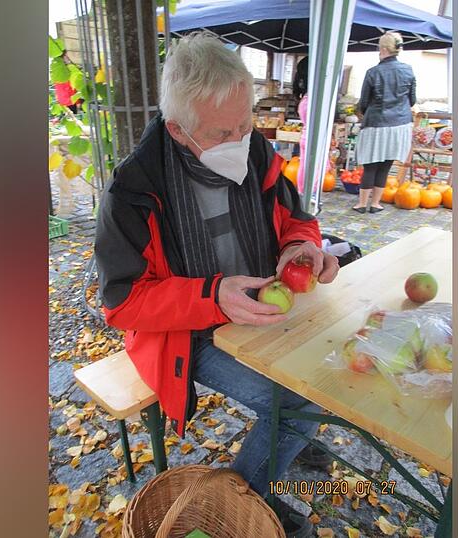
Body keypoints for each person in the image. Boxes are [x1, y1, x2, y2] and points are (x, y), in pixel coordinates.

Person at [94, 33, 340, 537]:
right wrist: (211, 295)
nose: (240, 141)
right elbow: (122, 303)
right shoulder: (132, 193)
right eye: (222, 132)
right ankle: (235, 501)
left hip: (264, 303)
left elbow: (298, 218)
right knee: (299, 406)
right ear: (179, 130)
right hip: (186, 332)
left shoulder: (257, 152)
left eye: (246, 123)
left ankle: (288, 448)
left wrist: (299, 249)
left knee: (332, 362)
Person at [353, 32, 417, 213]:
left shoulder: (373, 72)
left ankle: (361, 204)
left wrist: (366, 114)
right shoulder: (408, 70)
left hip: (376, 123)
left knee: (370, 165)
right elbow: (412, 100)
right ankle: (375, 204)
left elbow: (364, 102)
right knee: (386, 165)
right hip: (400, 124)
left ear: (383, 49)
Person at [292, 57, 335, 197]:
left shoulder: (308, 98)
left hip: (310, 139)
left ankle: (306, 197)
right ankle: (305, 199)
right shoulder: (311, 100)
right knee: (309, 175)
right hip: (312, 140)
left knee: (309, 172)